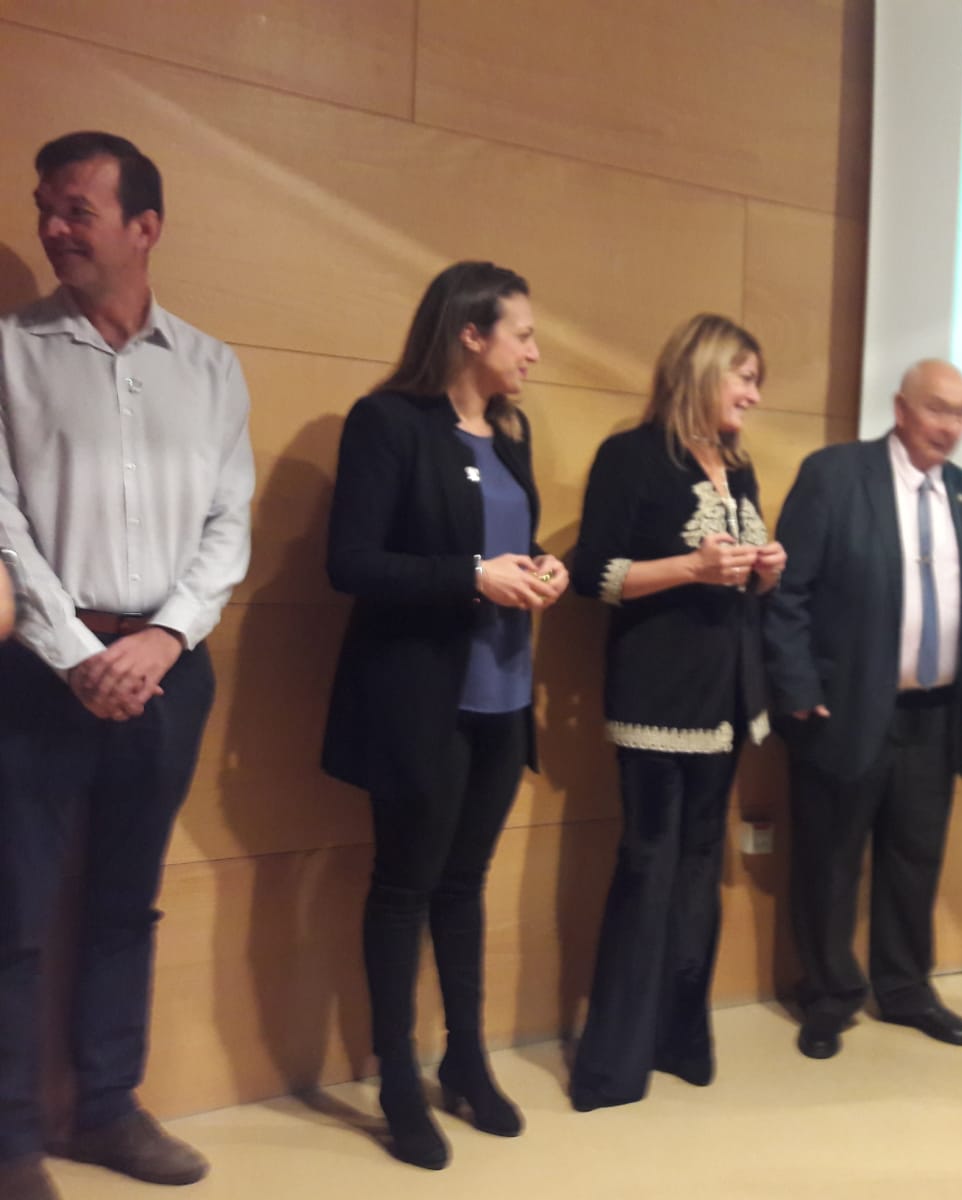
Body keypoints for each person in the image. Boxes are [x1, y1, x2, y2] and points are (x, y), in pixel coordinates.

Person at [0, 132, 254, 1200]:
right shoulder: (10, 352)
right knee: (13, 911)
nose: (52, 227)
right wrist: (76, 651)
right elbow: (1, 521)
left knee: (123, 901)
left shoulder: (210, 366)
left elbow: (229, 524)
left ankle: (106, 1109)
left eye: (76, 209)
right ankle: (9, 1138)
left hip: (169, 669)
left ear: (145, 228)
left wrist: (162, 639)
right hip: (36, 671)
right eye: (44, 208)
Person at [321, 261, 568, 1168]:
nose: (533, 353)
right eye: (523, 335)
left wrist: (540, 567)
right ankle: (397, 1082)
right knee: (403, 887)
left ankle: (466, 1060)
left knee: (465, 884)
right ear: (471, 332)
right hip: (419, 699)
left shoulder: (510, 434)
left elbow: (503, 546)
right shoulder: (388, 422)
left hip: (504, 696)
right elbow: (351, 562)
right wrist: (473, 577)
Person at [567, 313, 785, 1111]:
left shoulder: (739, 469)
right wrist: (691, 567)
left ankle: (680, 1036)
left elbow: (738, 582)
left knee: (699, 872)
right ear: (704, 370)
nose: (753, 396)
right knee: (648, 865)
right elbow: (590, 573)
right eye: (745, 378)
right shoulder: (630, 456)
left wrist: (764, 571)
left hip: (725, 695)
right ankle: (613, 1064)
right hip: (656, 696)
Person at [766, 359, 962, 1060]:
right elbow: (789, 593)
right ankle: (828, 995)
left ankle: (905, 990)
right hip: (843, 709)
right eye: (937, 410)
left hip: (936, 715)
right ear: (900, 409)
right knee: (830, 860)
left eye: (960, 414)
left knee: (914, 859)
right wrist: (798, 689)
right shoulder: (835, 475)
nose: (950, 427)